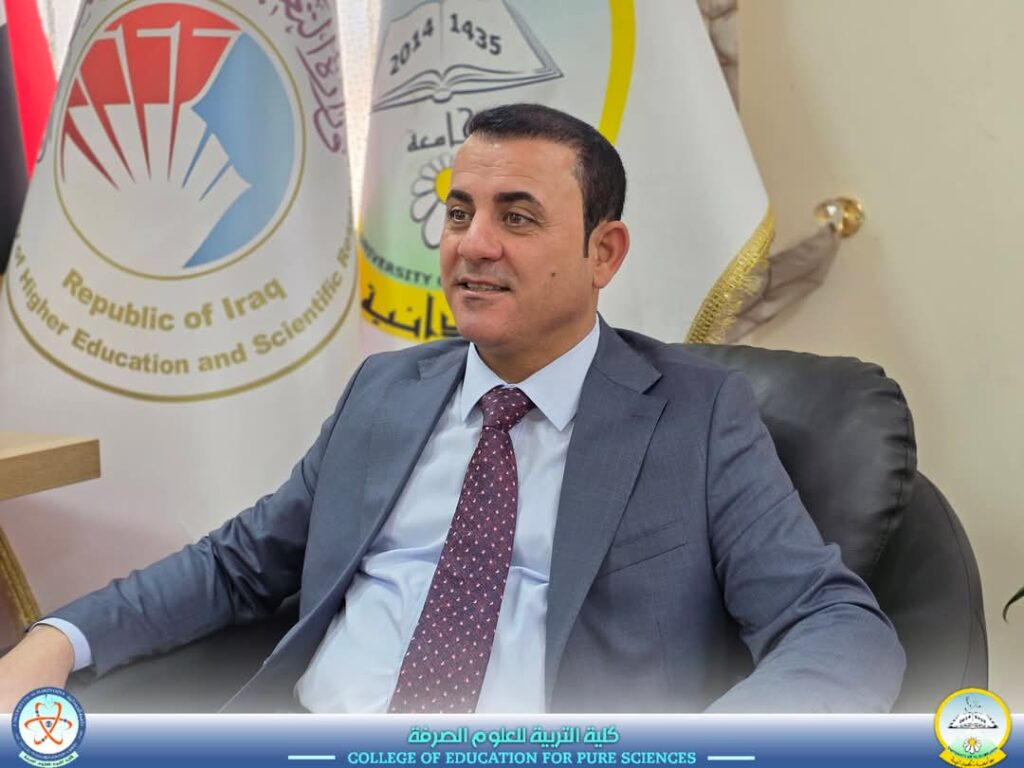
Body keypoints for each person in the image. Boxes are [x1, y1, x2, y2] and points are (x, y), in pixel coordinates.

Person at [0, 104, 905, 714]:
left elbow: (833, 626)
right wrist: (54, 642)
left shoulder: (697, 414)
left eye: (517, 217)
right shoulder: (385, 391)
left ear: (604, 253)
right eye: (459, 212)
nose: (472, 245)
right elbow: (237, 566)